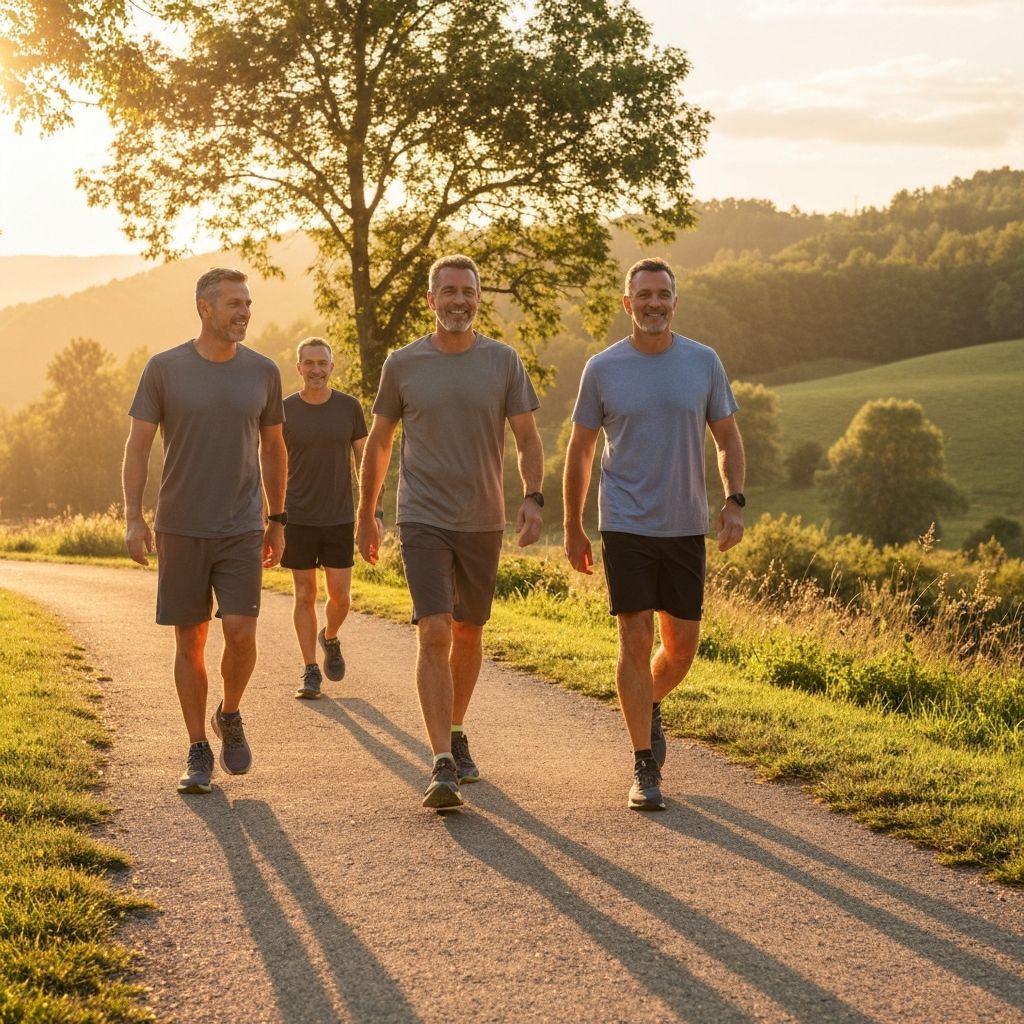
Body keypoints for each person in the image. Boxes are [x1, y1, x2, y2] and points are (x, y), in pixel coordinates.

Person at [356, 253, 544, 810]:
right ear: (431, 299)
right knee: (435, 630)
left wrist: (532, 496)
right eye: (449, 291)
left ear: (478, 299)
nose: (459, 300)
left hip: (482, 517)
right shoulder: (403, 363)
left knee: (468, 631)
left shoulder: (503, 361)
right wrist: (367, 512)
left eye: (468, 291)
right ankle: (441, 761)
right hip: (422, 516)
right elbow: (380, 442)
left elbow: (527, 437)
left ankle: (455, 729)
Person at [562, 257, 745, 812]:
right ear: (628, 303)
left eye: (662, 294)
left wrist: (734, 500)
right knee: (635, 635)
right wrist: (572, 524)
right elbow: (581, 450)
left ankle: (647, 703)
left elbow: (728, 439)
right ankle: (644, 763)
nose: (653, 303)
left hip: (685, 522)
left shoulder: (703, 362)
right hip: (625, 522)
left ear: (674, 301)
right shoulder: (602, 368)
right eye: (643, 295)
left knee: (682, 646)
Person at [122, 267, 287, 795]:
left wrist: (277, 519)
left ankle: (229, 713)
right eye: (234, 304)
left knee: (241, 633)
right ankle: (197, 746)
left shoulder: (263, 371)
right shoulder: (164, 369)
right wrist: (133, 516)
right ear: (204, 308)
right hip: (181, 525)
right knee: (190, 639)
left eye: (248, 303)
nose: (245, 312)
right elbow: (138, 446)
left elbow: (274, 448)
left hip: (241, 525)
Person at [281, 337, 370, 698]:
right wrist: (270, 516)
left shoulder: (349, 408)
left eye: (322, 363)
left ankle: (329, 637)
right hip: (297, 516)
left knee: (341, 598)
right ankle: (310, 670)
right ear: (298, 368)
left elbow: (365, 462)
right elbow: (270, 462)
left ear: (332, 367)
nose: (316, 369)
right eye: (309, 363)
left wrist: (371, 511)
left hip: (339, 516)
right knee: (305, 593)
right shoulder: (284, 410)